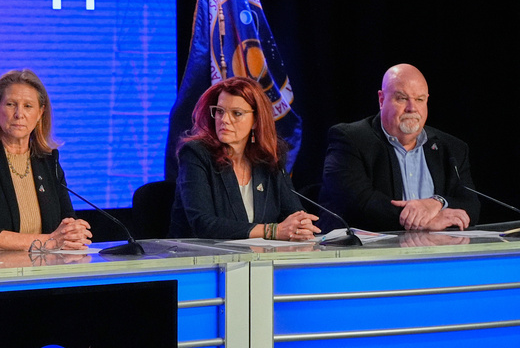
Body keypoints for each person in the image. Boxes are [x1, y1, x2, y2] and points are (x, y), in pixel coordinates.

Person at [318, 63, 479, 232]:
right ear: (381, 100)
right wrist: (422, 222)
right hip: (369, 254)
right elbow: (359, 203)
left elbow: (471, 205)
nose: (412, 108)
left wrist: (436, 202)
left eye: (419, 99)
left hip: (436, 253)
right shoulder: (350, 140)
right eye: (402, 98)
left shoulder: (451, 148)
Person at [0, 69, 92, 252]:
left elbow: (66, 220)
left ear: (40, 113)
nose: (19, 114)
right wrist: (50, 242)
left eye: (28, 106)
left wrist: (73, 233)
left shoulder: (47, 161)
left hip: (43, 273)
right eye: (11, 104)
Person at [169, 77, 320, 241]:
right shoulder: (196, 153)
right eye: (220, 111)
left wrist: (301, 226)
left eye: (236, 113)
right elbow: (203, 224)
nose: (225, 120)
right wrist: (272, 231)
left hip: (255, 260)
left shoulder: (268, 159)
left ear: (255, 120)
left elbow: (293, 213)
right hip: (198, 259)